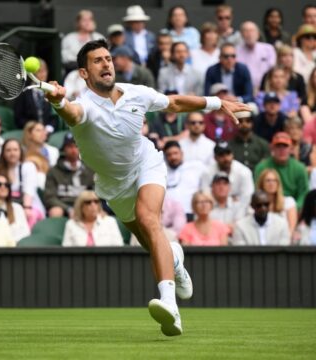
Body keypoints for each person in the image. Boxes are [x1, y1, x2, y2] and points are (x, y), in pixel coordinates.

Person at [44, 39, 250, 336]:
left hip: (146, 164)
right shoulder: (84, 105)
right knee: (151, 243)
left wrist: (218, 103)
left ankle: (170, 305)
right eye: (97, 61)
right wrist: (58, 101)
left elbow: (175, 102)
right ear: (84, 73)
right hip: (114, 185)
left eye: (108, 58)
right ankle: (175, 259)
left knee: (148, 218)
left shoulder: (136, 93)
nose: (106, 64)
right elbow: (72, 114)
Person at [0, 139, 44, 228]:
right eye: (8, 150)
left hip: (29, 205)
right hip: (7, 205)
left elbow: (29, 190)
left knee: (29, 215)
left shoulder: (28, 167)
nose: (12, 153)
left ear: (20, 152)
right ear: (3, 153)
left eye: (15, 150)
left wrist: (26, 207)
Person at [254, 132, 309, 211]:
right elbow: (257, 190)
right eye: (278, 146)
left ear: (291, 149)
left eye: (285, 146)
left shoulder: (300, 168)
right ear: (272, 148)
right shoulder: (261, 167)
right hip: (267, 206)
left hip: (292, 206)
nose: (281, 150)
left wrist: (295, 208)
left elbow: (304, 193)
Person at [44, 132, 94, 218]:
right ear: (64, 149)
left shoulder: (89, 169)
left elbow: (95, 192)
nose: (73, 150)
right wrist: (68, 209)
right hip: (62, 205)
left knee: (100, 213)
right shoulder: (54, 171)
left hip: (84, 204)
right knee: (55, 212)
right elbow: (49, 197)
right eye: (70, 147)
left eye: (76, 147)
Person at [201, 142, 254, 209]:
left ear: (232, 155)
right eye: (221, 155)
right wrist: (230, 199)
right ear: (215, 158)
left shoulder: (244, 172)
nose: (226, 158)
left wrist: (224, 200)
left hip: (239, 209)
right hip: (214, 209)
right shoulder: (207, 172)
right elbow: (205, 197)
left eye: (228, 154)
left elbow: (247, 198)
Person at [163, 141, 207, 220]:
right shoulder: (162, 172)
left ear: (182, 153)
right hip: (170, 217)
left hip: (192, 213)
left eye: (175, 153)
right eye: (169, 155)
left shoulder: (196, 166)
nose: (173, 157)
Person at [14, 59, 59, 132]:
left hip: (48, 133)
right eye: (39, 71)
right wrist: (33, 127)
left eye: (44, 71)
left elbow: (55, 116)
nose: (43, 74)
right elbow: (18, 118)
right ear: (32, 74)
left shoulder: (51, 91)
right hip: (29, 132)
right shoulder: (24, 92)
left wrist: (49, 128)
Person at [0, 172, 30, 243]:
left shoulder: (17, 208)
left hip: (15, 248)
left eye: (6, 185)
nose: (3, 187)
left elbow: (25, 233)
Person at [236, 21, 276, 92]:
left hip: (266, 89)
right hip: (243, 90)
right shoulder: (236, 51)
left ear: (258, 34)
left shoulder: (268, 48)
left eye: (252, 31)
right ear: (241, 35)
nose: (249, 34)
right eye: (246, 31)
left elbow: (272, 69)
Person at [256, 169, 297, 236]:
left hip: (283, 241)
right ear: (262, 184)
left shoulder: (289, 202)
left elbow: (291, 229)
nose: (271, 183)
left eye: (274, 180)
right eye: (268, 180)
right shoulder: (256, 204)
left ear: (278, 184)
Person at [21, 121, 59, 189]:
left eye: (43, 130)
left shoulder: (54, 151)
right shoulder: (22, 151)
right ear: (29, 134)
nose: (43, 133)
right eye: (38, 130)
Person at [210, 172, 246, 236]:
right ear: (212, 187)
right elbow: (204, 229)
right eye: (218, 184)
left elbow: (238, 229)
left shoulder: (238, 206)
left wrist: (215, 229)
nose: (221, 187)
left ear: (229, 187)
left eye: (225, 184)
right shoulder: (207, 206)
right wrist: (228, 227)